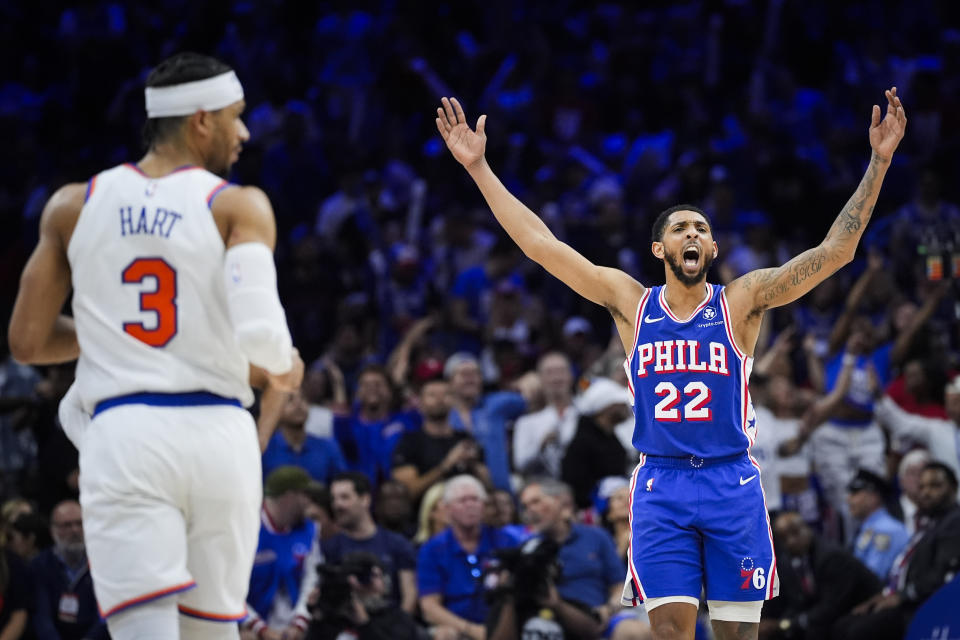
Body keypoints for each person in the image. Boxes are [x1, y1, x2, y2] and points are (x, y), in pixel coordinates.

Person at [436, 87, 907, 640]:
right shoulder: (631, 303)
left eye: (702, 229)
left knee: (737, 636)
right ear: (659, 248)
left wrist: (878, 162)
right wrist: (479, 168)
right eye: (681, 227)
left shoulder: (741, 301)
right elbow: (542, 244)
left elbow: (835, 253)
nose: (694, 233)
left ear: (710, 251)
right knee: (670, 635)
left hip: (733, 481)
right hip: (662, 484)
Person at [8, 52, 304, 639]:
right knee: (213, 632)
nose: (244, 132)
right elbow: (265, 340)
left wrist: (110, 334)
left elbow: (28, 341)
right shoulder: (237, 205)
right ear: (200, 121)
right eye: (235, 116)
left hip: (129, 436)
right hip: (222, 436)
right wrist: (284, 369)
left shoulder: (74, 204)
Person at [832, 462, 960, 640]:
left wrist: (902, 596)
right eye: (921, 487)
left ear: (953, 487)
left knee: (857, 632)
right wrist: (882, 596)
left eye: (935, 486)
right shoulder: (929, 524)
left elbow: (943, 575)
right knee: (842, 625)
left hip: (924, 604)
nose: (926, 493)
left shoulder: (954, 522)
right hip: (904, 598)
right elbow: (902, 570)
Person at [519, 478, 650, 640]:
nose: (529, 510)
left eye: (536, 502)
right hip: (548, 620)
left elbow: (619, 586)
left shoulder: (595, 536)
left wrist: (608, 609)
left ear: (562, 503)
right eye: (525, 506)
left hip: (598, 616)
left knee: (634, 632)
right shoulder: (527, 547)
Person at [417, 475, 516, 640]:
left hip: (502, 625)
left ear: (483, 506)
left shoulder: (505, 541)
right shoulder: (432, 549)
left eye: (475, 499)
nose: (470, 505)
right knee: (444, 635)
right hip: (457, 627)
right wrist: (472, 630)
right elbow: (429, 607)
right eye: (462, 500)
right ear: (448, 508)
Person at [761, 512, 881, 639]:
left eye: (795, 533)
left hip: (864, 608)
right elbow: (798, 601)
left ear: (807, 529)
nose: (791, 541)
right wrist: (780, 623)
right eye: (784, 538)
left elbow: (832, 607)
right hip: (828, 612)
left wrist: (785, 624)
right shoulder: (788, 561)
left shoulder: (831, 557)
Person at [322, 472, 418, 614]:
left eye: (344, 497)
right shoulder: (329, 548)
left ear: (365, 499)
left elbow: (409, 598)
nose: (337, 505)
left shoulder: (397, 544)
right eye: (334, 499)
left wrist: (398, 630)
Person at [243, 466, 321, 640]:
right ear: (289, 496)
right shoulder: (246, 527)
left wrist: (300, 622)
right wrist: (259, 628)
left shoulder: (310, 530)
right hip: (250, 628)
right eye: (305, 495)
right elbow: (229, 589)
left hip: (292, 629)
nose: (310, 502)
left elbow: (312, 578)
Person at [392, 379, 490, 501]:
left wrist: (474, 465)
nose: (440, 399)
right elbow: (408, 492)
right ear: (421, 404)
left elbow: (488, 488)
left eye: (446, 394)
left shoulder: (465, 439)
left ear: (454, 401)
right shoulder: (409, 442)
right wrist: (447, 465)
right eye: (432, 395)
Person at [29, 500, 109, 640]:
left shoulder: (104, 562)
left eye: (80, 523)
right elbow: (41, 616)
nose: (75, 530)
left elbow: (105, 614)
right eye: (67, 525)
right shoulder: (40, 564)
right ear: (52, 530)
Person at [305, 552, 426, 640]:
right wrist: (318, 618)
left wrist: (365, 624)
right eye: (361, 578)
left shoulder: (397, 619)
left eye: (375, 576)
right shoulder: (334, 617)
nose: (367, 584)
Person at [512, 351, 579, 478]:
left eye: (561, 371)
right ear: (540, 379)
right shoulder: (526, 422)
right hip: (545, 487)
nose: (556, 378)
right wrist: (541, 446)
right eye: (549, 373)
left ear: (571, 375)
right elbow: (520, 464)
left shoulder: (587, 412)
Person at [261, 388, 346, 484]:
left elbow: (342, 484)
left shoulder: (328, 447)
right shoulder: (264, 449)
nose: (298, 404)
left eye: (303, 399)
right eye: (290, 400)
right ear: (275, 410)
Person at [845, 469, 909, 580]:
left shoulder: (886, 530)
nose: (848, 499)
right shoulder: (870, 527)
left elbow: (873, 578)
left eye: (855, 493)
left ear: (873, 497)